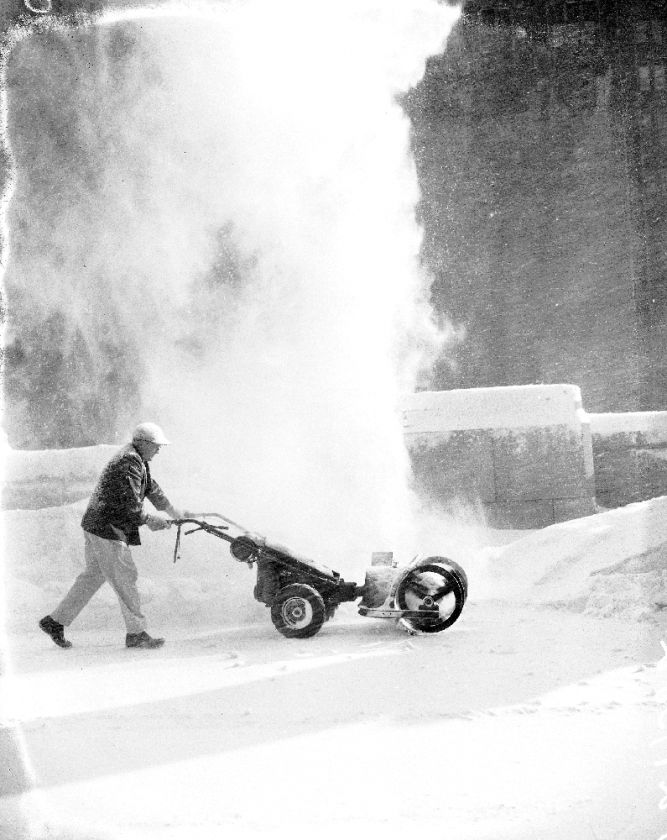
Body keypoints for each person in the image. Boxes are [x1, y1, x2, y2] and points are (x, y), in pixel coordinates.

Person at [39, 422, 189, 650]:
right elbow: (128, 502)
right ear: (144, 443)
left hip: (96, 525)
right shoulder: (129, 462)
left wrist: (171, 510)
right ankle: (137, 633)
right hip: (107, 529)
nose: (159, 450)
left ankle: (55, 621)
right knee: (126, 578)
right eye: (157, 446)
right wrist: (149, 520)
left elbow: (150, 487)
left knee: (93, 576)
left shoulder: (136, 459)